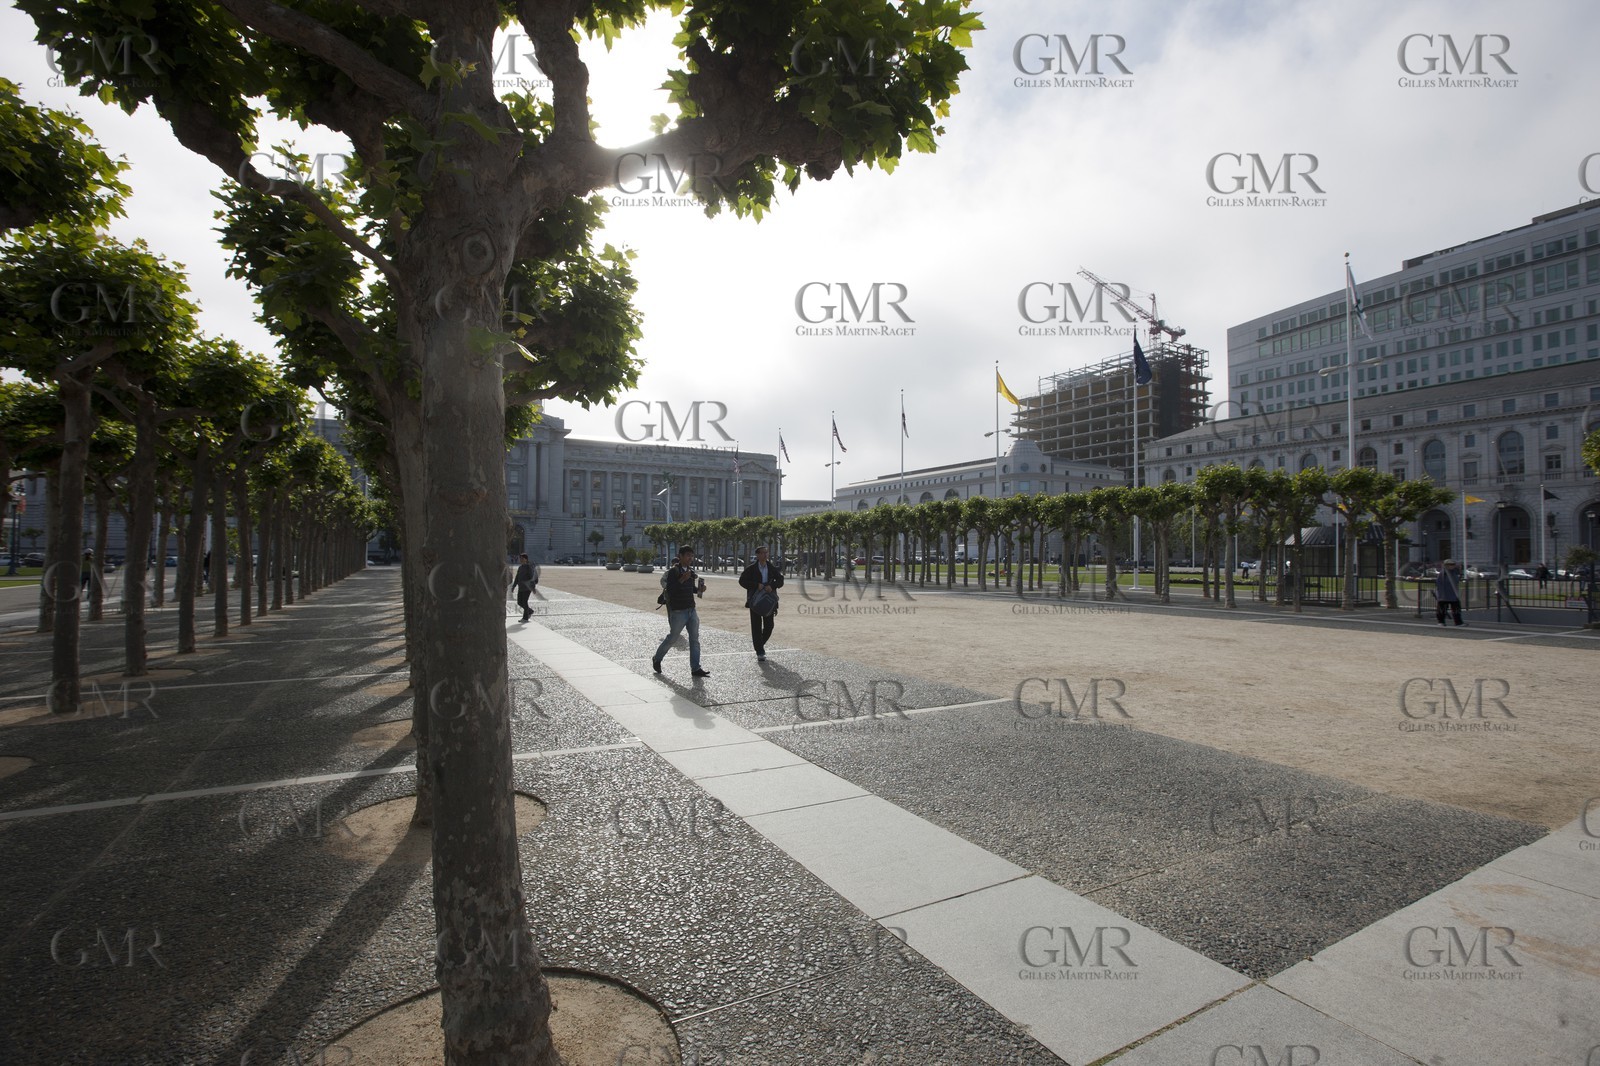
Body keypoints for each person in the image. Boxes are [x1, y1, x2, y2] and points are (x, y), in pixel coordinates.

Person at [653, 546, 710, 677]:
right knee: (672, 638)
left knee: (694, 639)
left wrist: (700, 590)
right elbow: (670, 590)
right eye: (688, 555)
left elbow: (691, 588)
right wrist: (682, 579)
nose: (691, 558)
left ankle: (695, 668)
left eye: (692, 555)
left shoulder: (690, 571)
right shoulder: (673, 572)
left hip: (691, 610)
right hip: (678, 611)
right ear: (681, 556)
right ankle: (657, 658)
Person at [738, 545, 785, 661]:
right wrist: (756, 585)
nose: (765, 555)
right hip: (755, 601)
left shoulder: (771, 567)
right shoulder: (751, 568)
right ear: (758, 555)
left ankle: (759, 644)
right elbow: (742, 581)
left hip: (768, 601)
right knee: (756, 627)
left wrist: (772, 586)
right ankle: (760, 651)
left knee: (769, 626)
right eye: (763, 553)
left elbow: (780, 580)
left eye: (766, 552)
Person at [1435, 558, 1465, 627]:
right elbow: (1439, 583)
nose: (1452, 566)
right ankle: (1441, 622)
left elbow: (1456, 581)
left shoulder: (1454, 573)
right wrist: (1441, 594)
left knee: (1456, 609)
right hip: (1444, 595)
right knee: (1442, 609)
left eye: (1453, 564)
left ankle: (1458, 622)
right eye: (1450, 564)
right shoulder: (1443, 574)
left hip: (1453, 594)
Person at [511, 553, 535, 623]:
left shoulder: (528, 567)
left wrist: (533, 587)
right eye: (520, 558)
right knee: (519, 602)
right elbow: (517, 577)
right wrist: (514, 586)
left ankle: (525, 618)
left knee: (524, 602)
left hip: (527, 588)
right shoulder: (520, 567)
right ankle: (529, 611)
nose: (520, 560)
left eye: (522, 558)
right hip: (521, 587)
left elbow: (531, 577)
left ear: (526, 559)